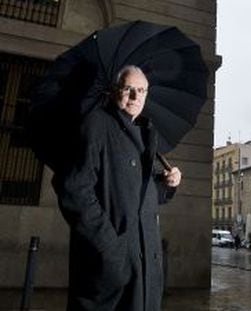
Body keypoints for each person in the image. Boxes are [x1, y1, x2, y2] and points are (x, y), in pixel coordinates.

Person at [54, 65, 182, 311]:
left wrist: (166, 183)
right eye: (128, 89)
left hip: (145, 268)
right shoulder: (95, 125)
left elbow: (139, 195)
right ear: (115, 91)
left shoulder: (145, 134)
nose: (135, 97)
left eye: (141, 91)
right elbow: (74, 191)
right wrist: (111, 250)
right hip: (113, 269)